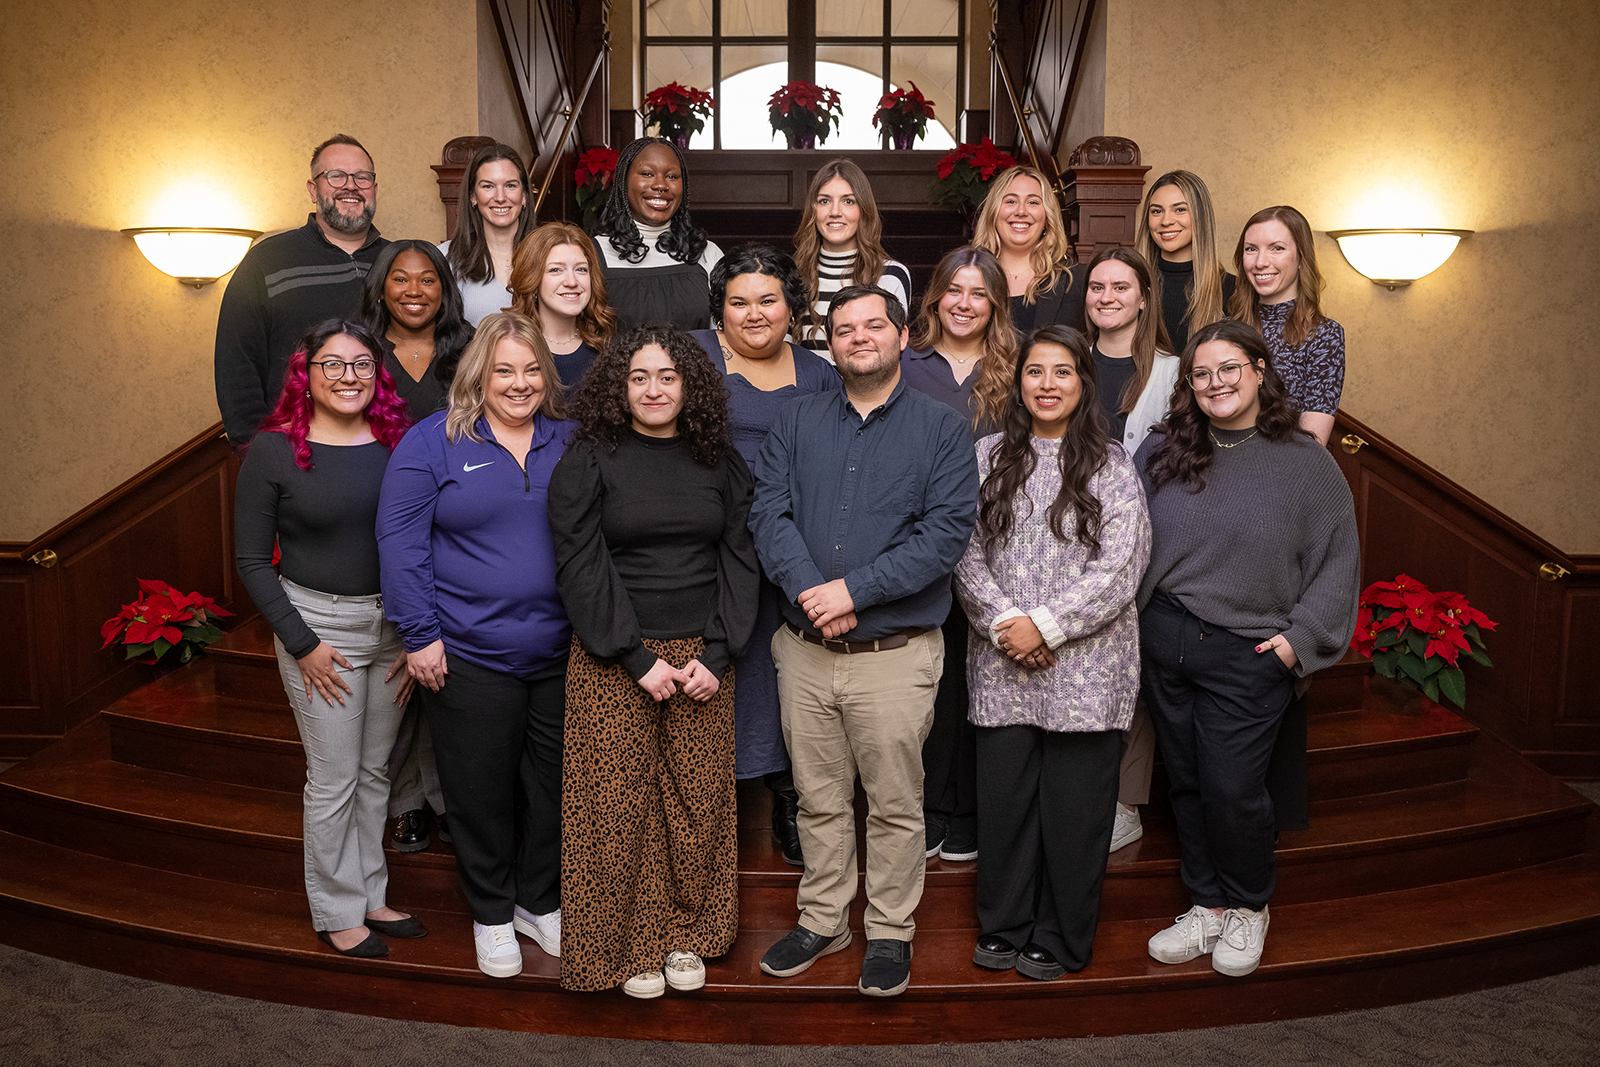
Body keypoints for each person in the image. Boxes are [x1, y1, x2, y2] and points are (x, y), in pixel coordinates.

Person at [751, 285, 979, 999]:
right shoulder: (794, 422)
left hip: (895, 654)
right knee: (817, 798)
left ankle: (888, 931)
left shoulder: (944, 429)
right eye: (843, 329)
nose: (858, 338)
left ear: (903, 335)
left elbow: (944, 536)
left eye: (872, 326)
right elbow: (768, 513)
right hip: (806, 651)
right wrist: (816, 594)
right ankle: (824, 920)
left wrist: (854, 591)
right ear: (829, 342)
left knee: (893, 802)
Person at [1136, 318, 1360, 978]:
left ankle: (1248, 905)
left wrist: (1297, 644)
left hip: (1250, 652)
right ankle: (1206, 904)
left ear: (1260, 370)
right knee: (1187, 780)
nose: (1216, 383)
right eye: (1202, 374)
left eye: (1230, 368)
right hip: (1166, 638)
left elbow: (1338, 560)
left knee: (1235, 789)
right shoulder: (1162, 451)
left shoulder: (1304, 460)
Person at [548, 324, 760, 999]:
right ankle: (629, 944)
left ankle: (686, 936)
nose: (653, 388)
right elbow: (580, 564)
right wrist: (636, 656)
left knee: (696, 804)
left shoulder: (720, 462)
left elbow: (741, 559)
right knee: (616, 807)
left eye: (668, 376)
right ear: (619, 386)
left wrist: (719, 652)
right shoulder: (589, 460)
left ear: (690, 384)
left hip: (702, 660)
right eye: (639, 376)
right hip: (617, 657)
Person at [375, 311, 572, 980]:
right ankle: (492, 911)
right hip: (467, 653)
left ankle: (537, 900)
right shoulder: (432, 442)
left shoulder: (570, 442)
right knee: (480, 790)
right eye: (503, 370)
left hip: (562, 653)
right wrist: (420, 634)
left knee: (553, 787)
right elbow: (400, 545)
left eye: (531, 369)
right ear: (478, 375)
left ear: (547, 375)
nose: (519, 383)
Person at [956, 324, 1151, 980]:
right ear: (1019, 382)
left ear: (1083, 383)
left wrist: (1045, 625)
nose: (1047, 384)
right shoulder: (985, 456)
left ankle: (1062, 936)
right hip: (1001, 661)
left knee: (1074, 816)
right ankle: (1004, 925)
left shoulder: (1112, 464)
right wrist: (1008, 623)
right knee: (1006, 809)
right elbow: (963, 551)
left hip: (1087, 673)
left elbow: (1122, 567)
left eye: (1062, 371)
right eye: (1035, 371)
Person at [233, 319, 420, 958]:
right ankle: (336, 909)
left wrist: (417, 633)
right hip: (321, 629)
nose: (348, 377)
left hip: (394, 628)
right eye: (333, 365)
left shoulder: (400, 442)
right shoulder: (275, 450)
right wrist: (302, 643)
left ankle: (370, 894)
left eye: (362, 365)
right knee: (335, 776)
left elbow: (427, 541)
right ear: (306, 376)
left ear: (378, 375)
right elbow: (253, 561)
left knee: (375, 773)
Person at [690, 247, 841, 868]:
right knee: (722, 666)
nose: (754, 314)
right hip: (710, 547)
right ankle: (708, 812)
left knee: (784, 677)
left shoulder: (820, 374)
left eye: (768, 300)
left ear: (792, 308)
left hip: (792, 547)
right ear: (719, 311)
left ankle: (787, 797)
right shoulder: (691, 358)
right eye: (739, 302)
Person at [901, 245, 1018, 864]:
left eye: (979, 293)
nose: (965, 304)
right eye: (955, 290)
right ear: (936, 296)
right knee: (937, 685)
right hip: (923, 546)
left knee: (988, 678)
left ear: (995, 302)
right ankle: (931, 809)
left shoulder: (1019, 366)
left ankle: (971, 808)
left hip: (999, 545)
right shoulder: (906, 361)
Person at [1081, 246, 1180, 852]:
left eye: (1121, 287)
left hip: (1146, 533)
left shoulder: (1172, 371)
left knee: (1132, 668)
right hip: (1066, 536)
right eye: (1097, 287)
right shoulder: (1067, 360)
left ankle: (1124, 802)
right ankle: (1080, 790)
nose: (1108, 297)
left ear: (1145, 297)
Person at [215, 135, 388, 446]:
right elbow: (237, 362)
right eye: (336, 176)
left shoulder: (401, 264)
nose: (351, 185)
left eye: (362, 177)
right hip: (293, 448)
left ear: (374, 189)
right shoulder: (266, 261)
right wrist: (254, 447)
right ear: (313, 189)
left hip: (386, 444)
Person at [1229, 205, 1345, 446]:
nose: (1260, 262)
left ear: (1301, 258)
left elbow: (1313, 442)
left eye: (1277, 249)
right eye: (1251, 249)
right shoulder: (1226, 330)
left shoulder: (1324, 335)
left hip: (1286, 473)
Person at [590, 137, 723, 331]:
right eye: (647, 174)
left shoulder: (707, 254)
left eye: (671, 176)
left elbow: (725, 336)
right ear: (622, 181)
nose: (661, 185)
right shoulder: (592, 254)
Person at [790, 159, 912, 360]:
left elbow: (892, 354)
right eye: (824, 201)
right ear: (813, 211)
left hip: (868, 390)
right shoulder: (792, 274)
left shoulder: (891, 274)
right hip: (806, 390)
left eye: (848, 201)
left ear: (863, 210)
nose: (835, 212)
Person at [357, 240, 474, 423]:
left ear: (443, 291)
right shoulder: (356, 350)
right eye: (400, 280)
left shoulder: (474, 348)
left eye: (427, 281)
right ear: (380, 289)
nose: (413, 291)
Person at [972, 164, 1087, 338]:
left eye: (1033, 202)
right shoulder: (968, 275)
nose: (1021, 211)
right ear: (993, 212)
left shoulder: (1075, 279)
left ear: (1047, 215)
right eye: (1011, 201)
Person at [1133, 170, 1236, 356]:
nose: (1166, 221)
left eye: (1180, 209)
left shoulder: (1232, 289)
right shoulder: (1132, 285)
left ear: (1200, 216)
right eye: (1156, 211)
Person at [508, 220, 617, 392]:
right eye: (556, 270)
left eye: (581, 269)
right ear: (532, 279)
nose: (572, 282)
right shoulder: (508, 348)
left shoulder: (605, 348)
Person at [441, 144, 535, 325]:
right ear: (473, 197)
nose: (500, 197)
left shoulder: (549, 255)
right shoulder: (446, 258)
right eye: (488, 186)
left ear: (524, 196)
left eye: (510, 185)